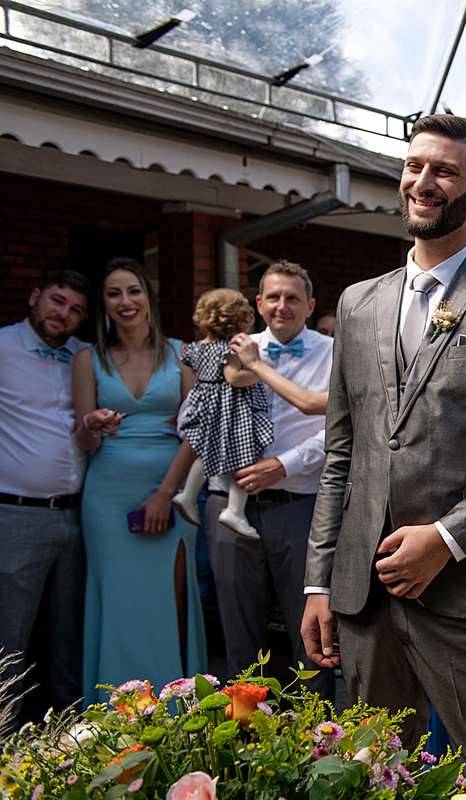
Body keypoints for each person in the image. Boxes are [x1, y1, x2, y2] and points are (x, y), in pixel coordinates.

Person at [301, 115, 466, 799]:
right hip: (362, 597)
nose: (423, 181)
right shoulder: (358, 303)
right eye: (415, 165)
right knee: (369, 775)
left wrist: (447, 540)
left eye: (444, 171)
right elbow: (342, 455)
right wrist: (319, 582)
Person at [72, 258, 206, 704]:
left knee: (170, 602)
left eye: (133, 291)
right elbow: (84, 440)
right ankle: (113, 716)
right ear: (103, 306)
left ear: (147, 297)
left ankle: (176, 711)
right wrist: (92, 423)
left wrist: (165, 495)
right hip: (108, 496)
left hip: (171, 490)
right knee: (116, 604)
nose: (125, 301)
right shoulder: (88, 358)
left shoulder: (182, 354)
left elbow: (198, 430)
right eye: (114, 294)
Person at [207, 260, 335, 700]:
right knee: (239, 633)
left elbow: (339, 429)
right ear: (258, 303)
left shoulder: (333, 351)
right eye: (274, 297)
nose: (283, 306)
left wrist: (285, 464)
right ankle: (244, 740)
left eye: (293, 298)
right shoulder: (235, 351)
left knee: (311, 634)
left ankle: (314, 740)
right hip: (229, 507)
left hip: (301, 507)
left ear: (310, 305)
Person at [0, 271, 90, 724]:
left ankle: (69, 730)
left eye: (75, 309)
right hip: (17, 516)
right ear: (35, 297)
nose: (64, 314)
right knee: (10, 634)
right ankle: (5, 734)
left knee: (68, 632)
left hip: (79, 515)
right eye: (57, 301)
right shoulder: (2, 348)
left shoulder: (82, 356)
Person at [171, 288, 274, 540]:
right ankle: (235, 510)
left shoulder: (195, 348)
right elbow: (234, 378)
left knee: (204, 453)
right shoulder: (227, 348)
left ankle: (188, 494)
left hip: (205, 406)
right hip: (229, 410)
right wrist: (261, 371)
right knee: (245, 457)